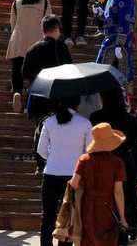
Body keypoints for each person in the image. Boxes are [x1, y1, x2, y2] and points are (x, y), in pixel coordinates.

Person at [90, 88, 137, 243]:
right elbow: (136, 148)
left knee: (102, 202)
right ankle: (123, 235)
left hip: (100, 164)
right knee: (125, 202)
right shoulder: (130, 119)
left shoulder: (95, 117)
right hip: (125, 163)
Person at [37, 96, 93, 246]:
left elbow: (41, 150)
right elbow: (89, 151)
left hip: (50, 174)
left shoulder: (49, 122)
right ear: (77, 104)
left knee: (48, 215)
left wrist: (54, 157)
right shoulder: (85, 123)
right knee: (69, 215)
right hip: (73, 176)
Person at [69, 123, 128, 246]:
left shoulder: (84, 160)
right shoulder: (117, 163)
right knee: (107, 240)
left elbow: (73, 184)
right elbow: (118, 191)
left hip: (87, 206)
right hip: (108, 208)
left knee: (88, 240)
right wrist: (122, 218)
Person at [6, 0, 52, 112]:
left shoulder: (16, 3)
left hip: (18, 41)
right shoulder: (44, 3)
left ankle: (17, 92)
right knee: (36, 73)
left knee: (17, 70)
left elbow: (12, 24)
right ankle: (30, 103)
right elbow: (48, 23)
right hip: (37, 43)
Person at [23, 15, 73, 122]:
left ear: (43, 30)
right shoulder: (62, 48)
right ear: (56, 29)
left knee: (40, 131)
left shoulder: (33, 49)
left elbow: (25, 74)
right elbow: (70, 70)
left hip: (38, 97)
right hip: (58, 98)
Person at [97, 0, 135, 81]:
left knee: (120, 77)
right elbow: (109, 18)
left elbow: (125, 21)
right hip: (109, 41)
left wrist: (120, 44)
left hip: (119, 43)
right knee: (102, 75)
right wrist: (99, 13)